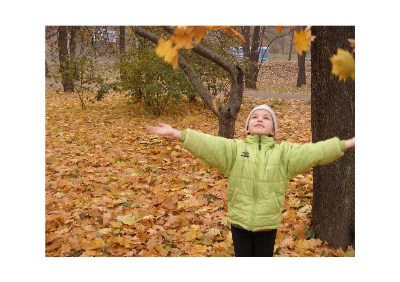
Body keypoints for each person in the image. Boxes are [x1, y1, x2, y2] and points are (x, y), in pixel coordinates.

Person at [147, 104, 355, 257]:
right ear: (246, 128)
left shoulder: (284, 154)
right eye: (255, 117)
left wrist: (348, 143)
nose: (259, 119)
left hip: (267, 225)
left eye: (266, 118)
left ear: (273, 130)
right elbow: (208, 144)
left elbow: (314, 152)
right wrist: (178, 134)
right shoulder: (235, 149)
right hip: (240, 223)